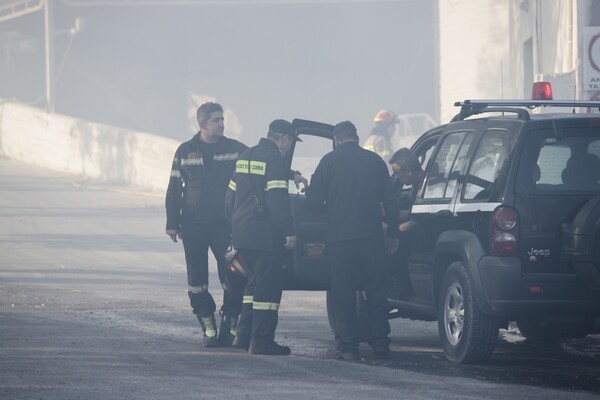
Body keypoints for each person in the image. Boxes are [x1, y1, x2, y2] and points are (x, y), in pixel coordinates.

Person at [306, 120, 399, 360]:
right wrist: (393, 235)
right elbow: (391, 201)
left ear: (337, 140)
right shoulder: (375, 161)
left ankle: (348, 346)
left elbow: (313, 202)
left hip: (341, 238)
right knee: (377, 292)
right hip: (372, 238)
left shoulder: (328, 161)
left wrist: (330, 208)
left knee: (344, 292)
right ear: (355, 137)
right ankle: (380, 344)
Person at [165, 102, 248, 347]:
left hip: (225, 226)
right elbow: (174, 188)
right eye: (217, 120)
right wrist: (172, 222)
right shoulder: (185, 150)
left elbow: (261, 163)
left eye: (223, 119)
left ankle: (230, 325)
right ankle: (208, 326)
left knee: (233, 277)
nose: (222, 124)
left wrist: (292, 173)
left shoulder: (235, 149)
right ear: (203, 125)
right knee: (197, 279)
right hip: (193, 226)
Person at [224, 119, 299, 355]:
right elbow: (277, 199)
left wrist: (234, 227)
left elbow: (229, 198)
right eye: (290, 142)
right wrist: (288, 230)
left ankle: (243, 336)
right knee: (268, 290)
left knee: (252, 286)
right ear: (285, 139)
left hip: (242, 233)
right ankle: (262, 341)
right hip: (265, 235)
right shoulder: (275, 157)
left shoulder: (245, 155)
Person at [387, 148, 425, 300]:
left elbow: (421, 219)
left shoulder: (426, 186)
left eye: (397, 173)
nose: (395, 177)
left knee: (395, 238)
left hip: (426, 232)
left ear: (408, 171)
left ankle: (401, 288)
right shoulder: (417, 184)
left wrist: (393, 231)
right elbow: (412, 212)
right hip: (420, 226)